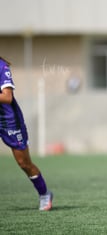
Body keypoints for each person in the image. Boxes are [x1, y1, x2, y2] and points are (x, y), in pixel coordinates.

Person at [0, 56, 53, 211]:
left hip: (9, 122)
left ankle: (44, 194)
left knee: (24, 163)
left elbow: (7, 97)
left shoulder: (1, 67)